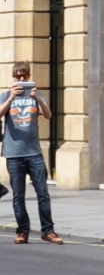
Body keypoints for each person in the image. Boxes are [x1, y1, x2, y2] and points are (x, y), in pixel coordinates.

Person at [4, 61, 60, 244]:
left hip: (34, 153)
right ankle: (23, 231)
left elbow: (49, 115)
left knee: (43, 193)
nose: (21, 79)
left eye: (25, 76)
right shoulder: (5, 95)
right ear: (13, 77)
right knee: (18, 195)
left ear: (29, 76)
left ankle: (48, 231)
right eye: (18, 76)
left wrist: (39, 99)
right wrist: (11, 98)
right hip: (14, 154)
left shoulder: (37, 95)